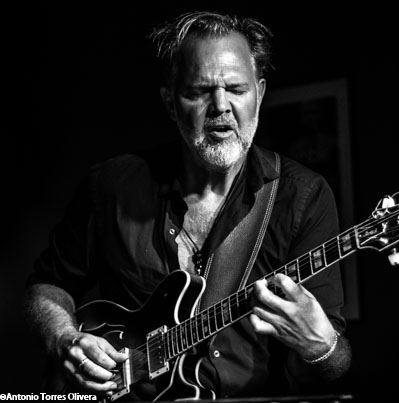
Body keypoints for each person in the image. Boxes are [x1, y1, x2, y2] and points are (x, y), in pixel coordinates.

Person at [24, 11, 351, 400]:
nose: (221, 107)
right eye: (199, 92)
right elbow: (47, 286)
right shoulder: (111, 186)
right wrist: (64, 338)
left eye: (237, 89)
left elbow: (334, 367)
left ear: (259, 94)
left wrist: (320, 346)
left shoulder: (303, 197)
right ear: (170, 102)